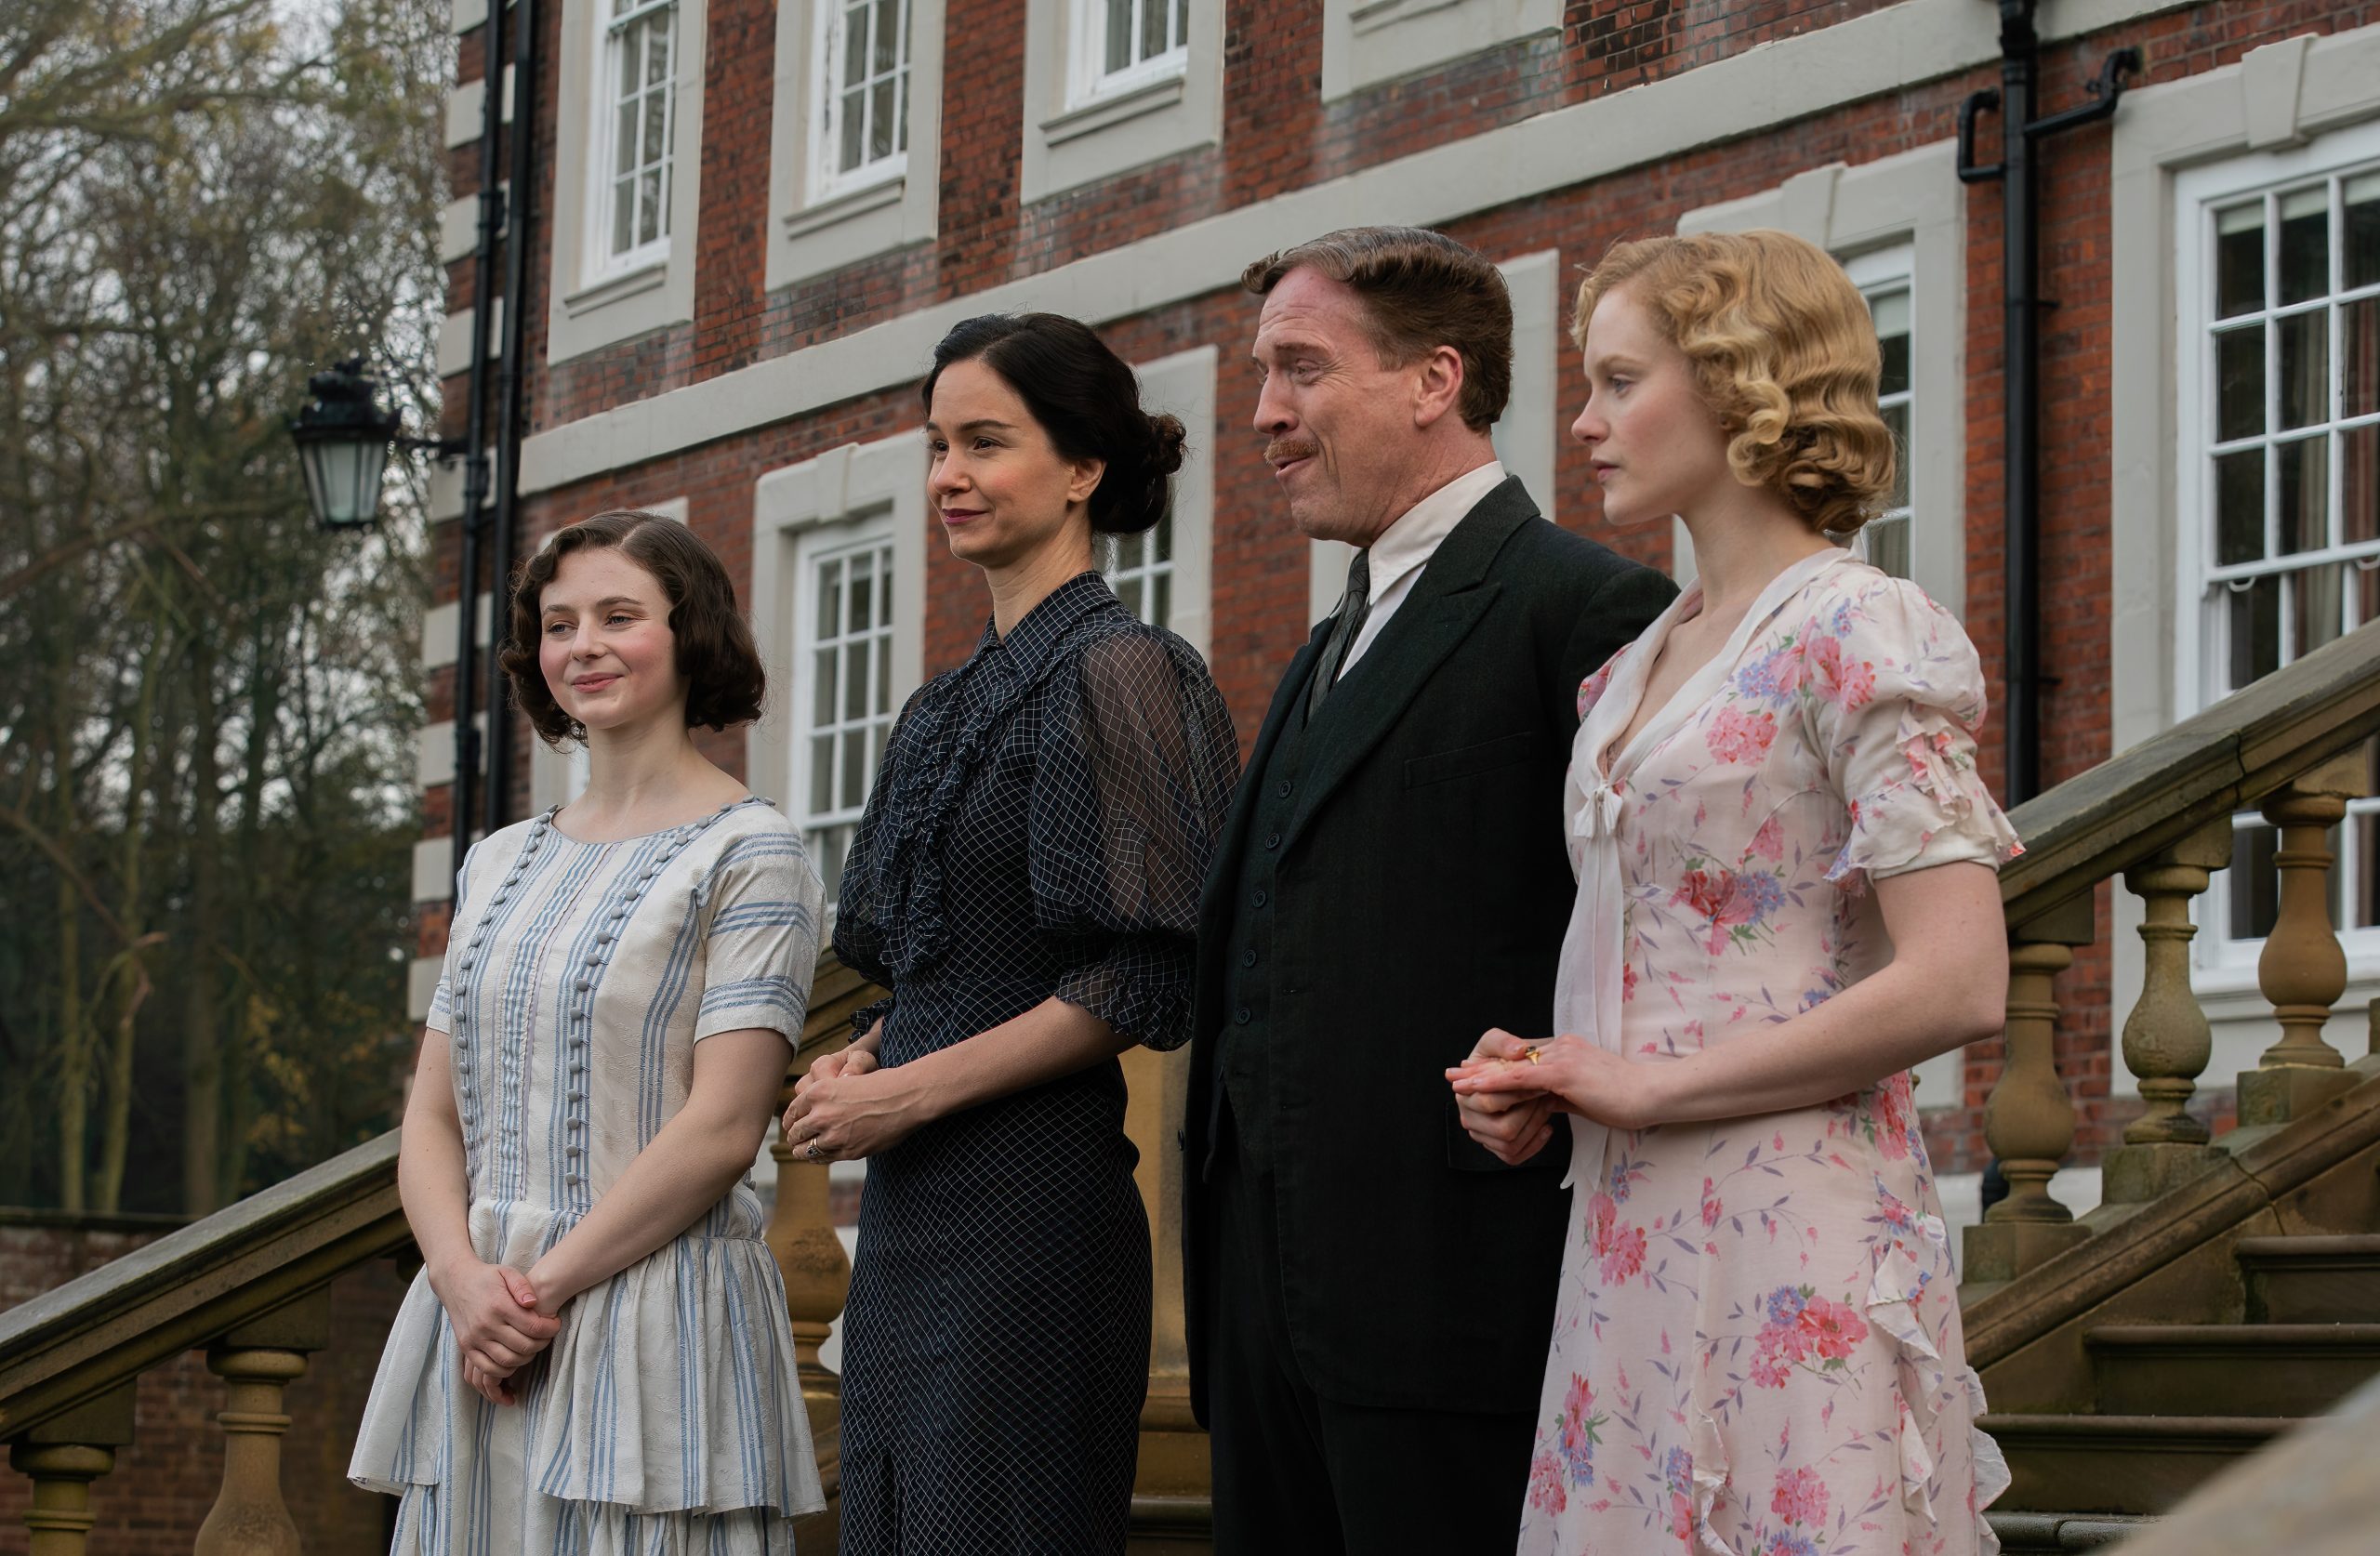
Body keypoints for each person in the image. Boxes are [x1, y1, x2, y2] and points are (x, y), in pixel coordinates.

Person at [1448, 230, 2019, 1554]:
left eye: (1618, 380)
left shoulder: (1860, 628)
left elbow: (1957, 976)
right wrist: (1557, 1066)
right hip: (1629, 1228)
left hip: (1794, 1232)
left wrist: (1645, 1083)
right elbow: (1672, 944)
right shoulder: (1636, 661)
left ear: (1739, 383)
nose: (1583, 423)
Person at [1184, 225, 1675, 1554]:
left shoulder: (1589, 610)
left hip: (1459, 1307)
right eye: (1260, 376)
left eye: (1300, 370)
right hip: (1267, 1322)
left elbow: (1663, 954)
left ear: (1434, 379)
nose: (1266, 415)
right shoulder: (1324, 642)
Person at [780, 312, 1240, 1554]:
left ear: (1082, 466)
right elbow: (949, 958)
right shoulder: (942, 705)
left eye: (987, 441)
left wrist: (905, 1093)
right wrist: (863, 1059)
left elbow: (1136, 982)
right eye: (937, 445)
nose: (949, 475)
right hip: (913, 1217)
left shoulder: (1127, 670)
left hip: (1034, 1215)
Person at [350, 511, 826, 1552]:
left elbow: (723, 1125)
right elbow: (432, 1116)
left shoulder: (752, 854)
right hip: (476, 1320)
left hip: (652, 1319)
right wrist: (464, 1285)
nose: (584, 645)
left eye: (620, 616)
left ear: (690, 633)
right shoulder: (498, 861)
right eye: (560, 624)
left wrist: (533, 1297)